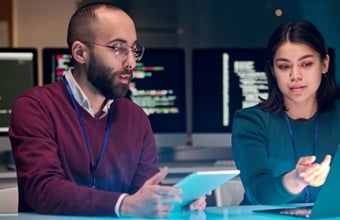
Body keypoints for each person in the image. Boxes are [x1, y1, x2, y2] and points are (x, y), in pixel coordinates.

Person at [8, 2, 205, 218]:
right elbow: (43, 190)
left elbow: (142, 190)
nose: (131, 62)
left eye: (133, 49)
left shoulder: (135, 117)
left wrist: (174, 200)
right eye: (118, 48)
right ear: (80, 52)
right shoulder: (35, 107)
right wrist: (124, 205)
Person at [231, 20, 340, 205]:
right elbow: (259, 191)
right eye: (284, 66)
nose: (295, 76)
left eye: (306, 64)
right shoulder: (251, 121)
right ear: (273, 70)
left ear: (324, 64)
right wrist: (296, 180)